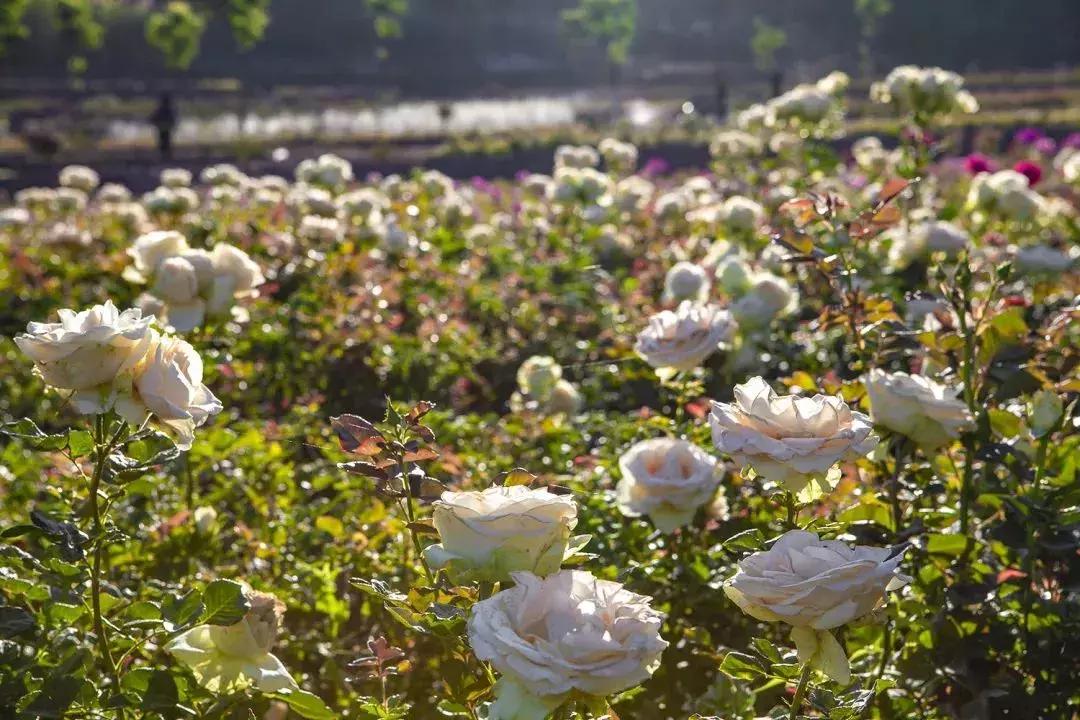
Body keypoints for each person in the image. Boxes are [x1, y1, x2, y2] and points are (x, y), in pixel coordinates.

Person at [150, 92, 177, 160]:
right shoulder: (166, 109)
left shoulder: (163, 109)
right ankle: (165, 155)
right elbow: (154, 118)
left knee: (164, 143)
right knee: (165, 143)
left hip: (164, 128)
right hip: (164, 128)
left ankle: (165, 156)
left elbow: (154, 118)